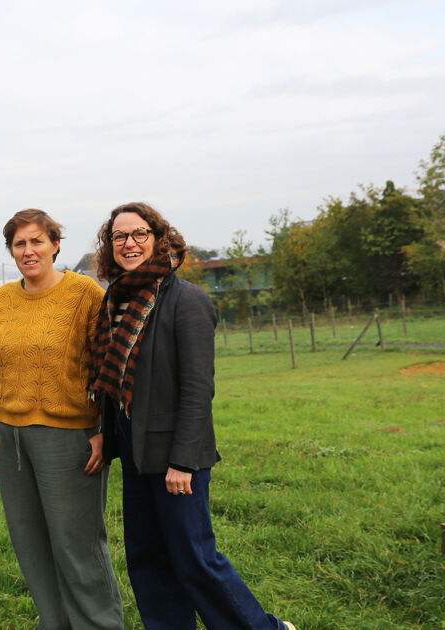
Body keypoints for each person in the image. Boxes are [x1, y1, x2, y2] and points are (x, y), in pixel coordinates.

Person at [88, 202, 295, 630]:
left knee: (194, 557)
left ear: (158, 237)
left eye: (139, 233)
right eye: (119, 236)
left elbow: (199, 389)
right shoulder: (117, 300)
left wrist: (182, 461)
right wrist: (107, 438)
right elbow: (114, 384)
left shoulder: (188, 301)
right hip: (134, 444)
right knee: (146, 555)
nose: (129, 243)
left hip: (175, 452)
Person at [0, 208, 123, 630]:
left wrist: (102, 432)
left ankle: (99, 624)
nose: (29, 251)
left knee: (75, 544)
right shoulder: (1, 300)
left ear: (55, 244)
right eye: (19, 244)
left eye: (36, 241)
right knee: (30, 544)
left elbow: (108, 369)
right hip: (10, 438)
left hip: (69, 437)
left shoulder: (85, 294)